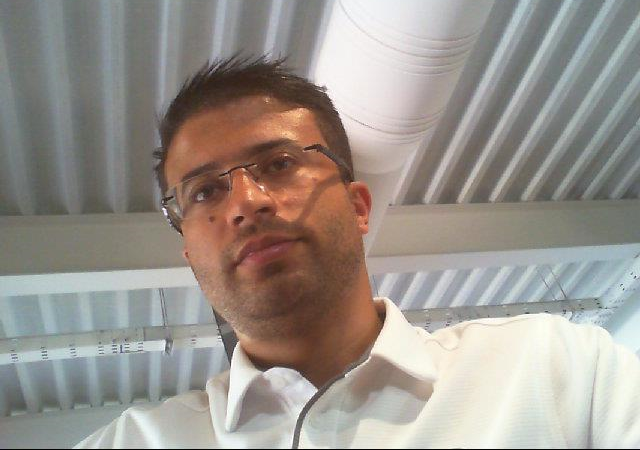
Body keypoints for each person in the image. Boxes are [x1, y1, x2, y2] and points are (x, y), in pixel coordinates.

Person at [76, 57, 640, 449]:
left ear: (359, 207)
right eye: (204, 192)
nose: (245, 203)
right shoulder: (133, 443)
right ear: (191, 257)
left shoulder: (554, 370)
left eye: (279, 164)